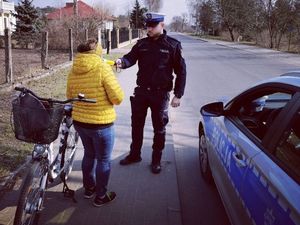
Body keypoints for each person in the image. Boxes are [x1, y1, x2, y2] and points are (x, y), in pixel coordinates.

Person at [116, 12, 187, 174]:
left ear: (162, 25)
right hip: (141, 92)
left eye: (152, 26)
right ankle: (135, 155)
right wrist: (122, 62)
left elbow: (181, 72)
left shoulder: (172, 45)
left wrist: (178, 94)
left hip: (160, 94)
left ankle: (156, 160)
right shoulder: (141, 44)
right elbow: (130, 58)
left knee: (159, 128)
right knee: (136, 126)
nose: (149, 28)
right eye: (147, 25)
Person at [66, 38, 124, 207]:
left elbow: (69, 95)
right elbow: (118, 98)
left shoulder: (73, 69)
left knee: (89, 154)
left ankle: (89, 189)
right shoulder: (102, 68)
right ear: (97, 51)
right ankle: (101, 196)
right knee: (104, 160)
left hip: (80, 123)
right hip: (101, 124)